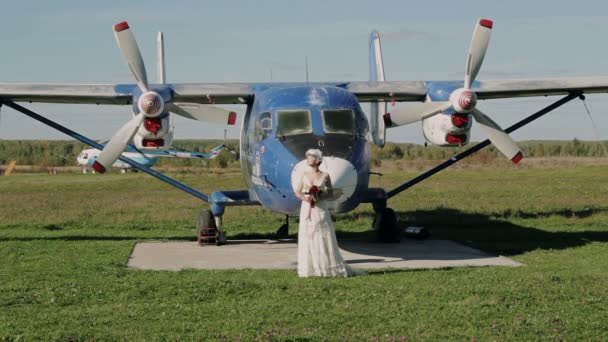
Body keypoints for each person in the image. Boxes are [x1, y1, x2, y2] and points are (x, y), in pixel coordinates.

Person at [295, 149, 357, 277]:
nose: (308, 158)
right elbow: (298, 192)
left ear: (317, 160)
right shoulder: (304, 174)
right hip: (307, 207)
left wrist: (320, 197)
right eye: (308, 156)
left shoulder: (325, 175)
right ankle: (310, 268)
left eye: (310, 157)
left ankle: (326, 266)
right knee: (309, 234)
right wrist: (306, 198)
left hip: (321, 207)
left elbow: (330, 193)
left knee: (323, 233)